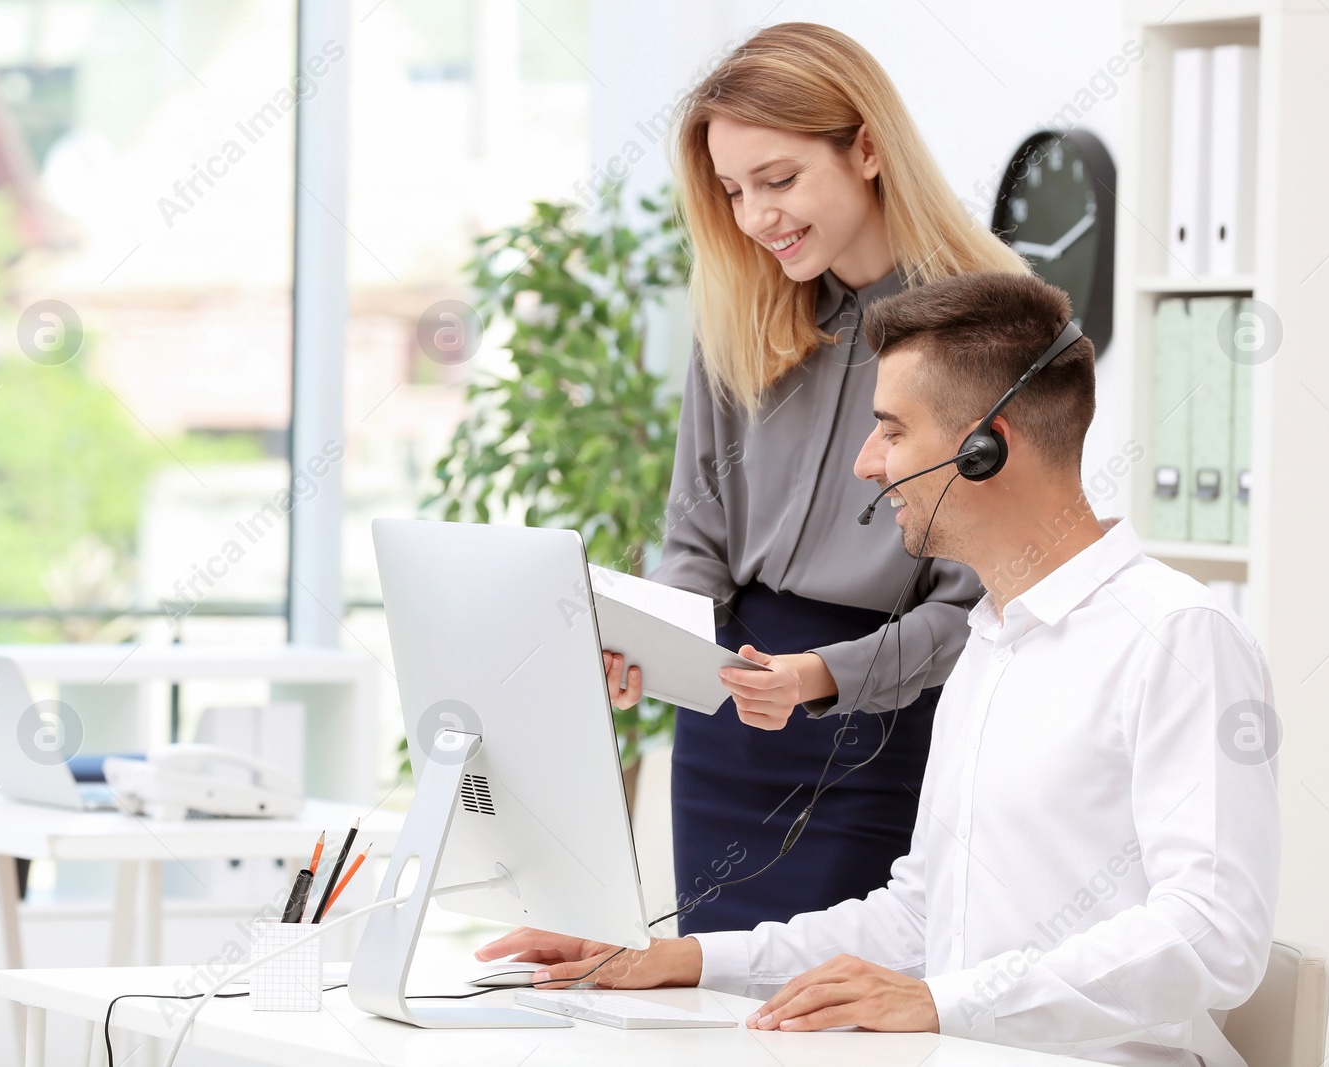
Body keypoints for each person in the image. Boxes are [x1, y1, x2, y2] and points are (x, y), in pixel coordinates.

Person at [480, 270, 1281, 1067]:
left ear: (983, 449)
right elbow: (918, 918)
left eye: (892, 429)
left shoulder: (1177, 636)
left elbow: (1213, 932)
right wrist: (681, 957)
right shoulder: (991, 644)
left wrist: (943, 1002)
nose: (867, 463)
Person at [600, 21, 1029, 935]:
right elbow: (696, 541)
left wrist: (821, 677)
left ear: (868, 148)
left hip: (877, 730)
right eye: (732, 190)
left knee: (831, 1012)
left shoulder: (986, 328)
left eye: (780, 180)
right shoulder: (742, 309)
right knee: (713, 998)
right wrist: (653, 639)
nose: (755, 217)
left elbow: (974, 609)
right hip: (728, 721)